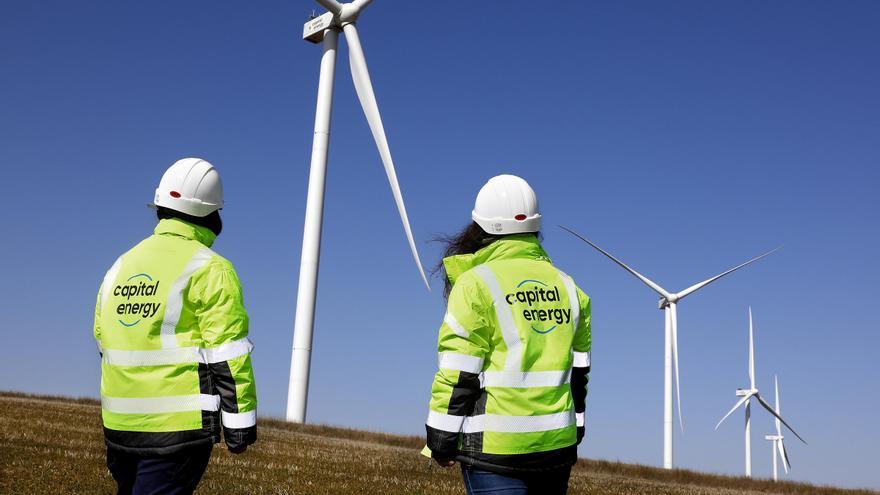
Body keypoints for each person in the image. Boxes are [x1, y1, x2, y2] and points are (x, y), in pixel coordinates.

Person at [93, 158, 257, 495]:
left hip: (119, 428)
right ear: (213, 215)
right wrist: (240, 425)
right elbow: (227, 354)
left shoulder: (121, 265)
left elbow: (103, 338)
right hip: (177, 431)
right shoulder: (211, 269)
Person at [425, 174, 591, 495]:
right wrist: (576, 430)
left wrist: (442, 438)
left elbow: (459, 371)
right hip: (556, 450)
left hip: (495, 450)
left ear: (480, 225)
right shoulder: (570, 289)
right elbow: (578, 375)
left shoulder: (475, 284)